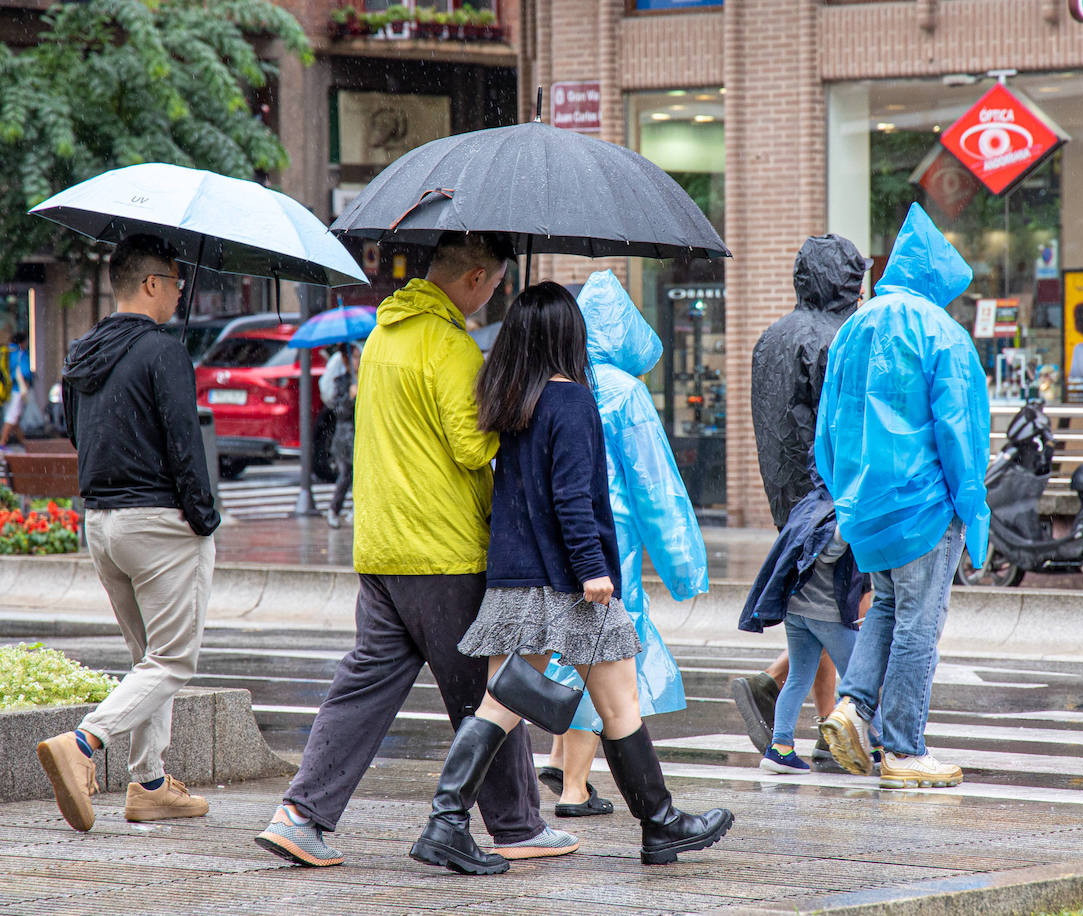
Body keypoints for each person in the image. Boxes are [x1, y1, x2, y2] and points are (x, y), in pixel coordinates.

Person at [255, 233, 574, 868]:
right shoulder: (450, 345)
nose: (494, 297)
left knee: (365, 684)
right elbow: (471, 447)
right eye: (495, 285)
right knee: (489, 690)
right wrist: (515, 406)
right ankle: (516, 824)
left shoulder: (384, 336)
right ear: (478, 278)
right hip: (442, 550)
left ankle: (299, 814)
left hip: (381, 546)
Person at [411, 282, 733, 876]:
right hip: (572, 584)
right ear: (568, 336)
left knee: (499, 704)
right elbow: (572, 498)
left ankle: (446, 821)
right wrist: (593, 570)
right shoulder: (573, 400)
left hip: (515, 580)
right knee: (619, 702)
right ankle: (659, 823)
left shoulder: (508, 402)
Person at [36, 234, 220, 832]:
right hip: (160, 523)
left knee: (147, 658)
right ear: (149, 284)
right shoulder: (162, 349)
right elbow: (184, 444)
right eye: (174, 278)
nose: (180, 288)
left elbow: (74, 432)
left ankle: (149, 785)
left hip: (103, 523)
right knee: (172, 661)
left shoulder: (84, 350)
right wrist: (203, 519)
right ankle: (85, 745)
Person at [815, 203, 990, 789]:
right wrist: (975, 509)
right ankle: (904, 749)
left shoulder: (854, 327)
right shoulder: (943, 333)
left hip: (866, 506)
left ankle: (853, 707)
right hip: (925, 506)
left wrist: (845, 496)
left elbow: (827, 428)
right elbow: (960, 432)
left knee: (887, 609)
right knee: (919, 623)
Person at [539, 271, 708, 817]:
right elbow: (657, 486)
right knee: (605, 654)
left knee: (571, 648)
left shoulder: (554, 380)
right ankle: (575, 789)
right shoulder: (624, 392)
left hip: (558, 539)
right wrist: (685, 566)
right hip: (611, 541)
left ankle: (559, 758)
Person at [732, 234, 871, 764]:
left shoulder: (769, 338)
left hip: (785, 496)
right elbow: (846, 424)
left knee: (809, 600)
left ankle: (813, 717)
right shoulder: (841, 337)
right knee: (844, 603)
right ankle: (835, 722)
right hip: (829, 494)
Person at [738, 482, 866, 774]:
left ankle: (780, 749)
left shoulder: (809, 504)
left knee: (797, 679)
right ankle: (881, 747)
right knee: (860, 681)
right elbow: (833, 548)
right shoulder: (843, 511)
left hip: (797, 611)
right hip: (828, 615)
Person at [324, 343, 359, 530]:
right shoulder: (342, 382)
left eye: (359, 357)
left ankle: (356, 510)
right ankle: (334, 510)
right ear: (346, 360)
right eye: (354, 357)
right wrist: (350, 398)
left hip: (361, 438)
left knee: (360, 478)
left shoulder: (365, 380)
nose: (358, 362)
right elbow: (338, 411)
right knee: (345, 476)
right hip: (345, 439)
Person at [1, 329, 32, 447]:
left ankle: (24, 442)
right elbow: (25, 372)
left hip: (6, 389)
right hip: (17, 389)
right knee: (12, 416)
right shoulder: (20, 353)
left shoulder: (6, 351)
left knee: (13, 416)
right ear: (22, 342)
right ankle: (2, 443)